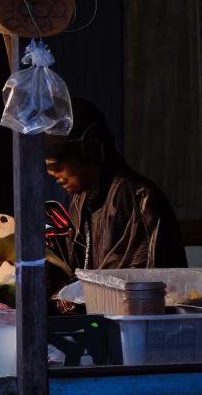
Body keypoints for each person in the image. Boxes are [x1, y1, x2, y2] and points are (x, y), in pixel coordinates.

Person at [45, 97, 186, 270]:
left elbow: (138, 286)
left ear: (90, 149)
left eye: (57, 164)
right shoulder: (80, 200)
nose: (51, 172)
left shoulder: (140, 201)